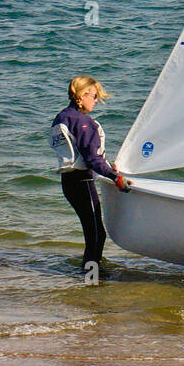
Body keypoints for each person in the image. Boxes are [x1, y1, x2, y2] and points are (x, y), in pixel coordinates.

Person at [50, 76, 129, 270]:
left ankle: (89, 276)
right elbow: (92, 159)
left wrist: (107, 167)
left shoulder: (62, 117)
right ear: (82, 96)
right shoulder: (84, 122)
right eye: (94, 96)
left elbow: (81, 154)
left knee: (93, 233)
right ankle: (91, 280)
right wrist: (115, 177)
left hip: (68, 183)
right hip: (83, 183)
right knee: (96, 235)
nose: (96, 101)